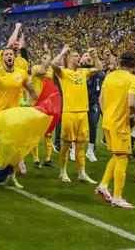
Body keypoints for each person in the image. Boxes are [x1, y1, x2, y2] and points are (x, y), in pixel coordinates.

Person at [0, 47, 38, 189]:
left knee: (15, 150)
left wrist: (41, 102)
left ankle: (12, 177)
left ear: (14, 57)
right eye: (6, 54)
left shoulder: (22, 73)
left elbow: (31, 89)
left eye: (11, 54)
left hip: (15, 118)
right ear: (3, 58)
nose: (9, 56)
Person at [95, 51, 135, 209]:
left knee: (116, 155)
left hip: (107, 122)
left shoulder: (109, 76)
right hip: (120, 124)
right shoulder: (133, 79)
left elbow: (101, 99)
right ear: (134, 64)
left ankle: (103, 186)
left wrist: (107, 114)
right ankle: (117, 197)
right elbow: (131, 102)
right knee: (123, 157)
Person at [50, 45, 102, 184]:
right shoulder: (64, 73)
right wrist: (62, 52)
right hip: (69, 113)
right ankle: (62, 172)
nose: (79, 58)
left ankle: (82, 173)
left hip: (83, 113)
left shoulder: (82, 72)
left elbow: (99, 68)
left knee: (80, 145)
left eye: (80, 56)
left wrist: (95, 55)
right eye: (76, 56)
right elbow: (53, 63)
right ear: (69, 59)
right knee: (66, 145)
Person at [31, 46, 55, 167]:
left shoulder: (52, 69)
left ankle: (47, 159)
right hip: (37, 104)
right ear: (41, 59)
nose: (46, 60)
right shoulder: (35, 68)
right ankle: (36, 160)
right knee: (35, 133)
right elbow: (42, 72)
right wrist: (48, 53)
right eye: (44, 58)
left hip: (48, 104)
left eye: (47, 59)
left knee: (49, 132)